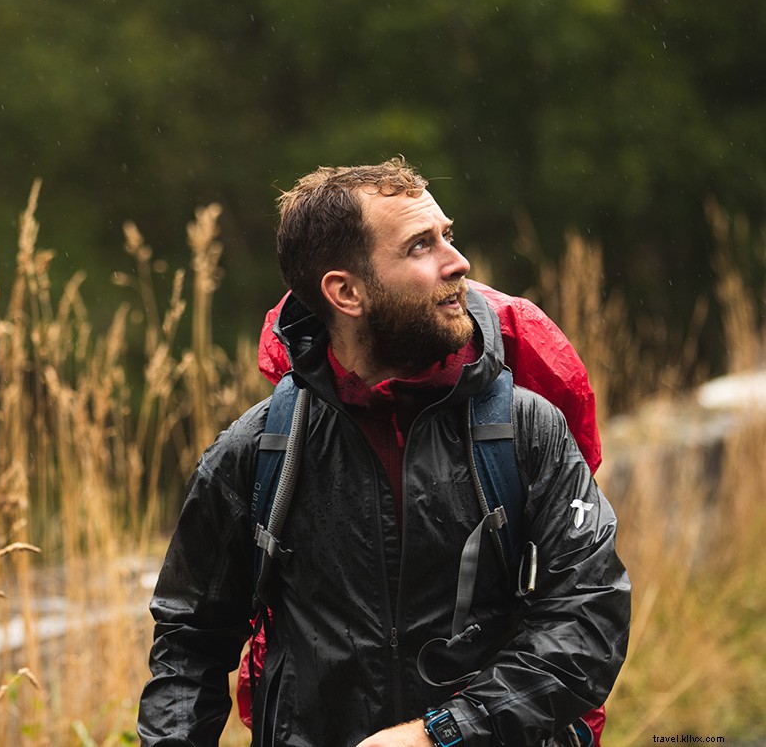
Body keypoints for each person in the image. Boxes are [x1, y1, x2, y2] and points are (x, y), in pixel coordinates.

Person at [137, 158, 631, 746]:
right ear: (346, 292)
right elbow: (189, 643)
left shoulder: (524, 431)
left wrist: (442, 734)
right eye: (421, 246)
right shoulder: (259, 449)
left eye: (448, 235)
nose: (459, 262)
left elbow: (588, 619)